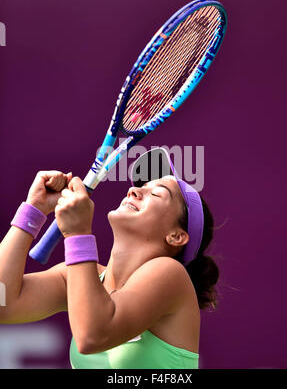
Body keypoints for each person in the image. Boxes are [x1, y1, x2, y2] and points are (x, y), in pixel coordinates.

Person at [0, 148, 219, 369]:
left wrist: (78, 233)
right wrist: (33, 210)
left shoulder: (170, 274)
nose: (133, 190)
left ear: (176, 236)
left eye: (156, 193)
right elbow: (3, 304)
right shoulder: (79, 277)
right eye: (140, 186)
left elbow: (92, 336)